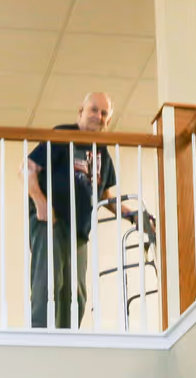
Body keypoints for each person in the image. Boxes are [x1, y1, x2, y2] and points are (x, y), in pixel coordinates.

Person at [24, 92, 127, 329]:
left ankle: (68, 342)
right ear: (81, 110)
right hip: (51, 222)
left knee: (76, 296)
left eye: (104, 113)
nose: (98, 116)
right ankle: (40, 340)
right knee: (48, 285)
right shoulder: (63, 134)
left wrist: (132, 216)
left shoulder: (102, 151)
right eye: (94, 110)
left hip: (79, 232)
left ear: (108, 120)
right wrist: (40, 203)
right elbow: (27, 169)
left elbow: (105, 197)